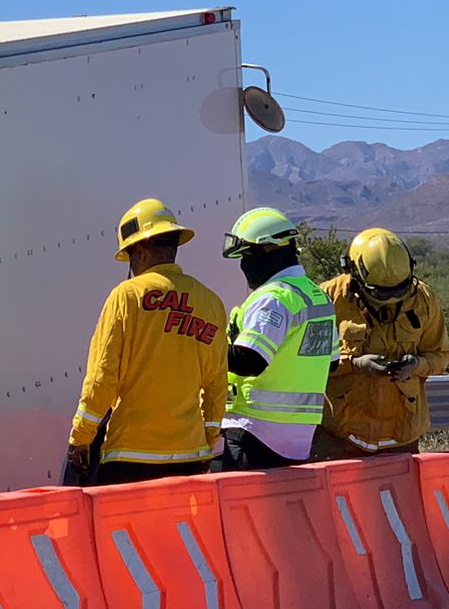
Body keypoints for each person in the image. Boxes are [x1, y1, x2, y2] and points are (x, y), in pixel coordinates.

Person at [66, 198, 228, 486]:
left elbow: (102, 377)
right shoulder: (211, 303)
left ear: (139, 250)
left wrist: (81, 438)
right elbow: (217, 383)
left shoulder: (126, 296)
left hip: (131, 456)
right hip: (190, 456)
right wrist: (209, 439)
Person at [214, 207, 339, 470]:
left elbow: (250, 361)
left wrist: (200, 347)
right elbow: (332, 363)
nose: (244, 264)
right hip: (299, 437)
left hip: (254, 429)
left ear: (271, 249)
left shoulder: (273, 298)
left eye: (247, 254)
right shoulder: (318, 297)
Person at [314, 227, 449, 459]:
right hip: (338, 436)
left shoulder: (424, 300)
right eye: (382, 294)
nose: (391, 300)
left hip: (401, 435)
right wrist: (354, 364)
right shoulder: (326, 299)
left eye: (400, 291)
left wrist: (416, 365)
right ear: (354, 273)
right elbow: (306, 362)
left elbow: (441, 356)